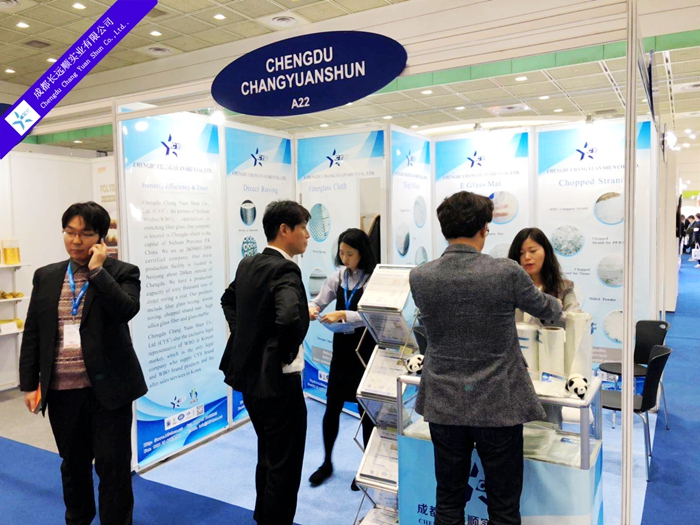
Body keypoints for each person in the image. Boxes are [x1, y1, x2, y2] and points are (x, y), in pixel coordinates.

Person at [409, 191, 562, 525]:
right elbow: (549, 310)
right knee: (503, 506)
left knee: (448, 501)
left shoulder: (420, 276)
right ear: (483, 228)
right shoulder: (505, 272)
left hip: (444, 402)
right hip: (498, 402)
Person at [19, 202, 146, 525]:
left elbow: (126, 310)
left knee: (113, 469)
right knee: (73, 467)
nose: (76, 241)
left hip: (109, 393)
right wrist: (29, 383)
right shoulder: (46, 276)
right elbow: (33, 331)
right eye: (70, 232)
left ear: (101, 237)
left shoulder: (123, 272)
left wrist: (98, 271)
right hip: (62, 392)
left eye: (85, 234)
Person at [219, 200, 311, 525]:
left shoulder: (249, 264)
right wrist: (281, 353)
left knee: (269, 455)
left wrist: (246, 336)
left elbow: (229, 300)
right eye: (303, 228)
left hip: (251, 380)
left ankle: (264, 518)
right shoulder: (286, 269)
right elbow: (288, 318)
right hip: (279, 381)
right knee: (284, 466)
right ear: (284, 230)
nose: (308, 235)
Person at [307, 228, 377, 490]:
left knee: (365, 412)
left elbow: (372, 315)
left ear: (362, 253)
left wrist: (344, 315)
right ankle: (326, 463)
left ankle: (366, 468)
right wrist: (312, 308)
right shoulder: (338, 276)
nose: (344, 258)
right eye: (341, 253)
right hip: (342, 351)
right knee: (332, 407)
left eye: (350, 253)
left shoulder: (373, 279)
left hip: (364, 350)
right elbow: (319, 300)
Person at [507, 227, 580, 328]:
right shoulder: (508, 288)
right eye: (521, 253)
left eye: (533, 251)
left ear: (546, 252)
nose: (527, 257)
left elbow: (576, 319)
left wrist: (550, 309)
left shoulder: (563, 288)